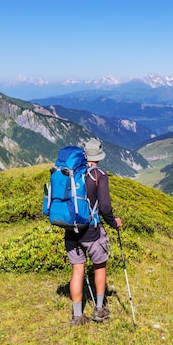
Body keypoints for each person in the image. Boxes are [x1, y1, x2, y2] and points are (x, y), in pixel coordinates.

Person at [65, 138, 122, 326]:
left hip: (72, 230)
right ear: (98, 155)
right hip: (92, 230)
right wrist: (114, 223)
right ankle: (99, 309)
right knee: (99, 266)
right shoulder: (99, 175)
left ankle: (77, 316)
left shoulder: (71, 173)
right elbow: (105, 207)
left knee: (77, 271)